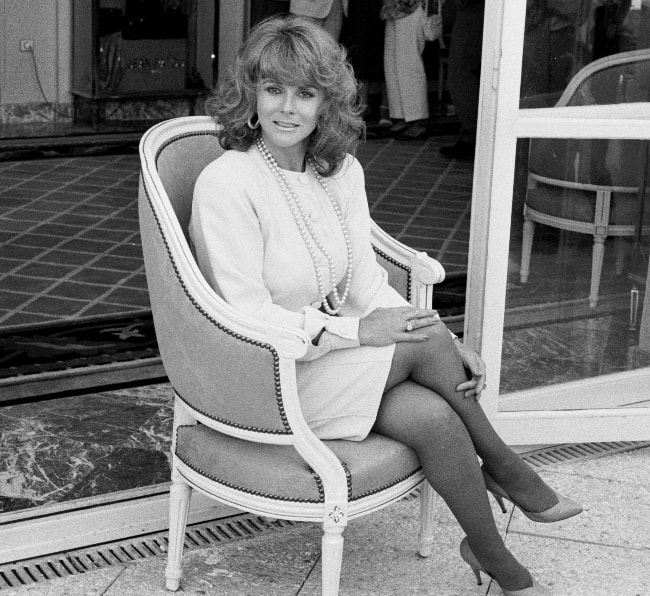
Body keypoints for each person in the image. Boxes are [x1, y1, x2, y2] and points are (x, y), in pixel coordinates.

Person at [189, 15, 582, 595]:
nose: (287, 108)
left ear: (328, 101)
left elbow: (367, 284)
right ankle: (507, 469)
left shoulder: (338, 172)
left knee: (434, 413)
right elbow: (246, 316)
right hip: (266, 374)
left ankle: (495, 558)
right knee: (423, 345)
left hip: (326, 362)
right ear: (250, 92)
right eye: (273, 90)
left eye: (305, 92)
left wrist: (442, 340)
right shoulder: (227, 182)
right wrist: (366, 335)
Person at [440, 0, 484, 159]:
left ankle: (471, 137)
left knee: (463, 72)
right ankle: (473, 134)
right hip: (478, 11)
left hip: (473, 11)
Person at [381, 0, 431, 139]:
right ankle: (401, 116)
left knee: (409, 63)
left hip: (412, 7)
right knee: (392, 64)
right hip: (393, 7)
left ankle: (418, 119)